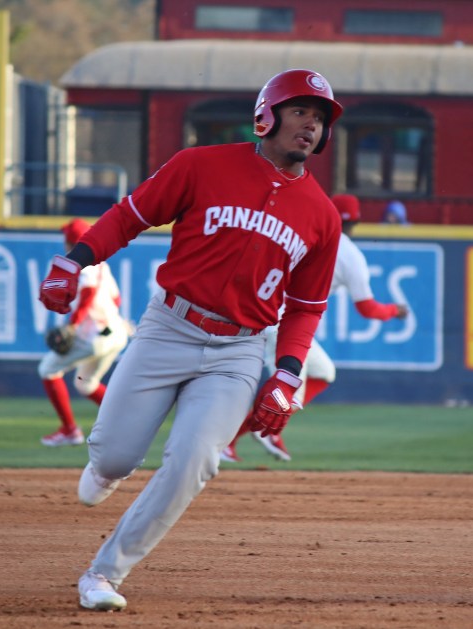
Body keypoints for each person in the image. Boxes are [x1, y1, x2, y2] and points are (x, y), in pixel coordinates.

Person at [37, 68, 343, 612]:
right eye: (300, 111)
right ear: (266, 115)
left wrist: (288, 372)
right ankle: (107, 467)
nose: (311, 125)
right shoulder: (201, 165)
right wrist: (74, 260)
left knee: (195, 460)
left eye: (319, 118)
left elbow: (305, 308)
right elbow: (128, 218)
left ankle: (105, 573)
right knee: (115, 456)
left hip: (240, 350)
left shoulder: (322, 214)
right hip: (169, 328)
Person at [222, 193, 409, 463]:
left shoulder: (305, 234)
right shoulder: (351, 256)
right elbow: (367, 308)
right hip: (281, 324)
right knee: (287, 395)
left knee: (324, 372)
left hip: (270, 313)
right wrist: (395, 311)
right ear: (356, 222)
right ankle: (240, 438)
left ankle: (255, 432)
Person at [38, 218, 130, 447]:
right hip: (116, 333)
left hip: (94, 336)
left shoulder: (82, 265)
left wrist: (73, 324)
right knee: (86, 383)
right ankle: (127, 425)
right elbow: (116, 299)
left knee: (48, 369)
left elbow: (88, 294)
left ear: (70, 242)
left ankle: (69, 430)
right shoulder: (102, 265)